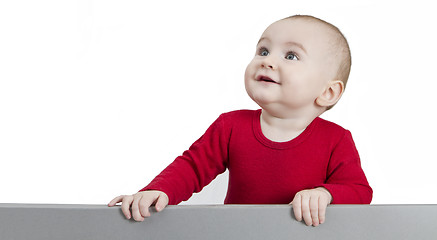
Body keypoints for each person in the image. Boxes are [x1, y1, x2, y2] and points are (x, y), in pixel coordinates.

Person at [108, 15, 373, 227]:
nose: (267, 61)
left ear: (328, 92)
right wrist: (157, 190)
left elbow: (360, 192)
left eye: (290, 56)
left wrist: (326, 194)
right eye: (263, 50)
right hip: (237, 234)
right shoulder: (231, 126)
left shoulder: (336, 139)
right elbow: (191, 167)